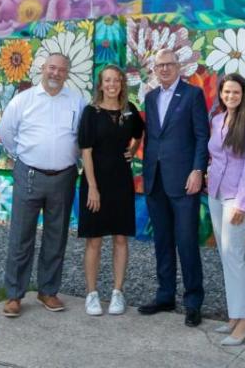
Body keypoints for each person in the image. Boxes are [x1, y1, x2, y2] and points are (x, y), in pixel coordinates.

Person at [0, 52, 84, 317]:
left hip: (64, 176)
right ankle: (14, 295)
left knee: (56, 237)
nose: (55, 73)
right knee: (21, 236)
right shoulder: (23, 101)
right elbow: (6, 134)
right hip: (29, 175)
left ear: (67, 73)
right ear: (42, 69)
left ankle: (48, 291)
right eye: (51, 68)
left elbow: (82, 137)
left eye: (61, 70)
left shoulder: (77, 102)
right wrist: (25, 157)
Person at [137, 48, 208, 326]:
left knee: (187, 243)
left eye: (169, 64)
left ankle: (193, 302)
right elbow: (153, 137)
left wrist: (197, 170)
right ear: (154, 70)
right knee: (162, 242)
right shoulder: (151, 97)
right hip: (155, 181)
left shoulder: (192, 95)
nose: (164, 69)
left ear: (178, 67)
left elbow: (202, 136)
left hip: (184, 182)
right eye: (159, 65)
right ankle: (165, 295)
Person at [78, 64, 146, 316]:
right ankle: (92, 294)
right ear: (100, 84)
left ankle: (118, 293)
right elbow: (85, 150)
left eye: (116, 80)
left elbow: (140, 133)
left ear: (121, 84)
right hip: (95, 182)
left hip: (121, 181)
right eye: (107, 80)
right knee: (94, 240)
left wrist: (133, 148)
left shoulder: (130, 111)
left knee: (120, 238)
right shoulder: (90, 112)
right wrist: (92, 188)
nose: (112, 85)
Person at [206, 74, 245, 346]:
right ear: (220, 94)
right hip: (216, 194)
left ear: (244, 94)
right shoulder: (217, 120)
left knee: (234, 255)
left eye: (236, 92)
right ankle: (233, 316)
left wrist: (242, 203)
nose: (231, 96)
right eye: (226, 92)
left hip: (238, 197)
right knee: (225, 255)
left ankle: (244, 321)